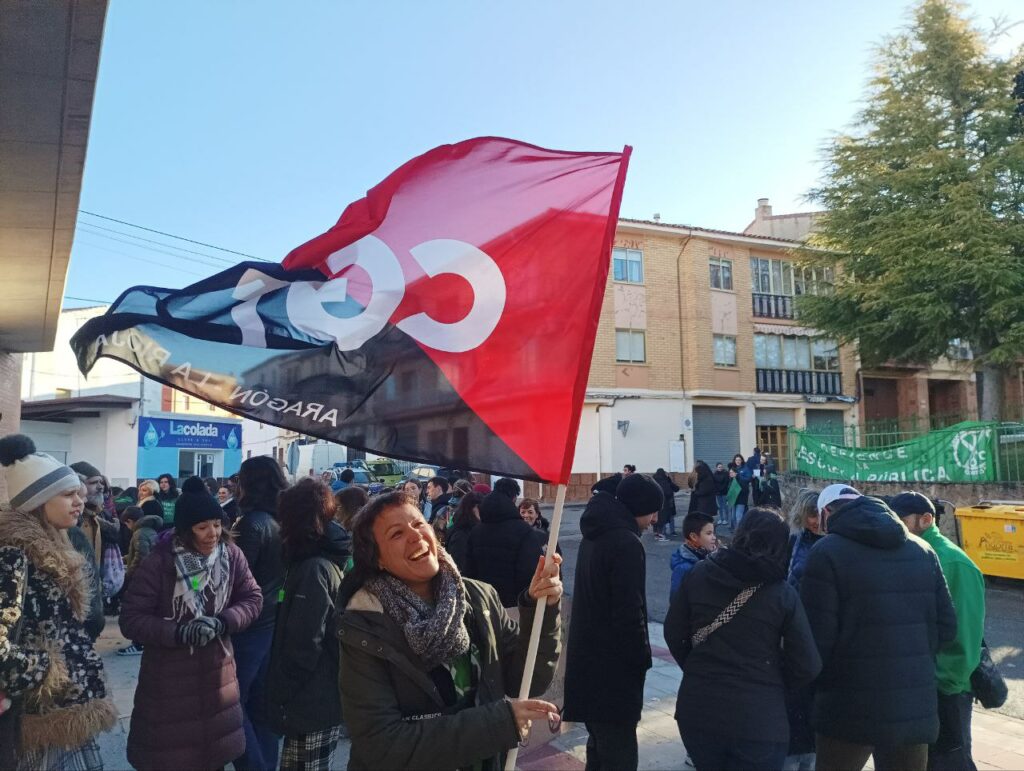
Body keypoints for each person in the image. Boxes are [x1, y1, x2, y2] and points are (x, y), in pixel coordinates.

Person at [336, 491, 563, 769]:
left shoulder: (479, 597)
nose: (415, 536)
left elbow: (528, 679)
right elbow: (381, 744)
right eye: (397, 534)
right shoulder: (366, 624)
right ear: (377, 559)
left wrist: (541, 608)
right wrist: (498, 724)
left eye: (418, 524)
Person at [801, 485, 957, 771]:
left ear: (826, 514)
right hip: (912, 705)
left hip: (847, 707)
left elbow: (815, 641)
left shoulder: (826, 552)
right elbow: (947, 629)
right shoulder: (922, 550)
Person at [119, 476, 262, 770]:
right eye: (202, 527)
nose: (213, 533)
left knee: (214, 757)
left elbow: (252, 598)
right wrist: (179, 632)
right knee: (172, 758)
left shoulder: (231, 555)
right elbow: (132, 619)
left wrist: (223, 622)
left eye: (217, 525)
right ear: (186, 530)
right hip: (169, 682)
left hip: (218, 676)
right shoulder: (160, 562)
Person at [665, 507, 822, 770]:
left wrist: (697, 666)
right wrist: (774, 681)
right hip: (759, 718)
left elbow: (674, 632)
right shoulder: (781, 594)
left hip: (699, 709)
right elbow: (807, 664)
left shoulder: (699, 574)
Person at [0, 435, 118, 770]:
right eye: (67, 495)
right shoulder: (14, 554)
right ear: (38, 501)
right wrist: (45, 670)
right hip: (36, 709)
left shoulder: (56, 545)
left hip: (61, 703)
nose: (79, 501)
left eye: (78, 493)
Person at [563, 473, 663, 771]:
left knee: (600, 748)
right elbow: (630, 612)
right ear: (638, 507)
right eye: (652, 511)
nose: (655, 519)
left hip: (590, 664)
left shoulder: (596, 532)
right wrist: (641, 659)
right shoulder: (625, 543)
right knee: (618, 754)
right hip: (614, 671)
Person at [890, 492, 985, 771]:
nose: (896, 527)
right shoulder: (911, 554)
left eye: (901, 520)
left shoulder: (953, 562)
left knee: (950, 760)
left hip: (946, 688)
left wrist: (945, 683)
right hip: (921, 684)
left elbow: (966, 634)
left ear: (926, 519)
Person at [267, 479, 351, 770]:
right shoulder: (314, 560)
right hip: (317, 694)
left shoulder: (313, 568)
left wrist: (280, 688)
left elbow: (305, 642)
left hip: (311, 697)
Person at [229, 456, 288, 770]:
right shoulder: (281, 520)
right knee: (260, 704)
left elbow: (236, 578)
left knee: (233, 702)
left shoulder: (250, 523)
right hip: (271, 617)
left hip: (248, 624)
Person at [782, 489, 825, 771]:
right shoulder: (793, 542)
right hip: (794, 633)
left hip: (820, 633)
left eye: (819, 514)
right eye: (811, 514)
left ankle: (809, 756)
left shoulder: (834, 544)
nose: (816, 520)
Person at [464, 478, 546, 607]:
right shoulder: (523, 531)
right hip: (514, 605)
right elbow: (531, 572)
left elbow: (468, 570)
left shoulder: (476, 531)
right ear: (513, 498)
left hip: (483, 602)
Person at [116, 501, 164, 656]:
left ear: (130, 521)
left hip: (141, 578)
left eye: (126, 524)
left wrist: (128, 575)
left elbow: (141, 556)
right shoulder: (150, 530)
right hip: (153, 576)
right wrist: (124, 559)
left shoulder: (139, 533)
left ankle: (138, 643)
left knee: (136, 611)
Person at [669, 513, 716, 598]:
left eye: (713, 533)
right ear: (694, 537)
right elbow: (676, 599)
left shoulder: (708, 556)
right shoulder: (684, 568)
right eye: (709, 533)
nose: (714, 537)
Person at [445, 491, 481, 574]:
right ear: (473, 508)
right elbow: (460, 564)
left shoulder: (459, 528)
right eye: (481, 508)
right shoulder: (462, 534)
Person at [728, 452, 756, 530]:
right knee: (733, 516)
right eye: (736, 460)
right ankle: (736, 529)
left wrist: (738, 476)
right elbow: (729, 481)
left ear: (742, 460)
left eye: (739, 460)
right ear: (734, 461)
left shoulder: (745, 468)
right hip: (733, 494)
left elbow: (749, 479)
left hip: (742, 494)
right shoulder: (732, 468)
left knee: (738, 516)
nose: (738, 461)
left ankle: (739, 531)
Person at [653, 468, 680, 541]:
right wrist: (669, 479)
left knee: (658, 518)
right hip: (667, 503)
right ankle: (668, 532)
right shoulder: (665, 481)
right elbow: (675, 489)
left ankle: (658, 533)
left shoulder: (653, 481)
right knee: (667, 517)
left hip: (655, 503)